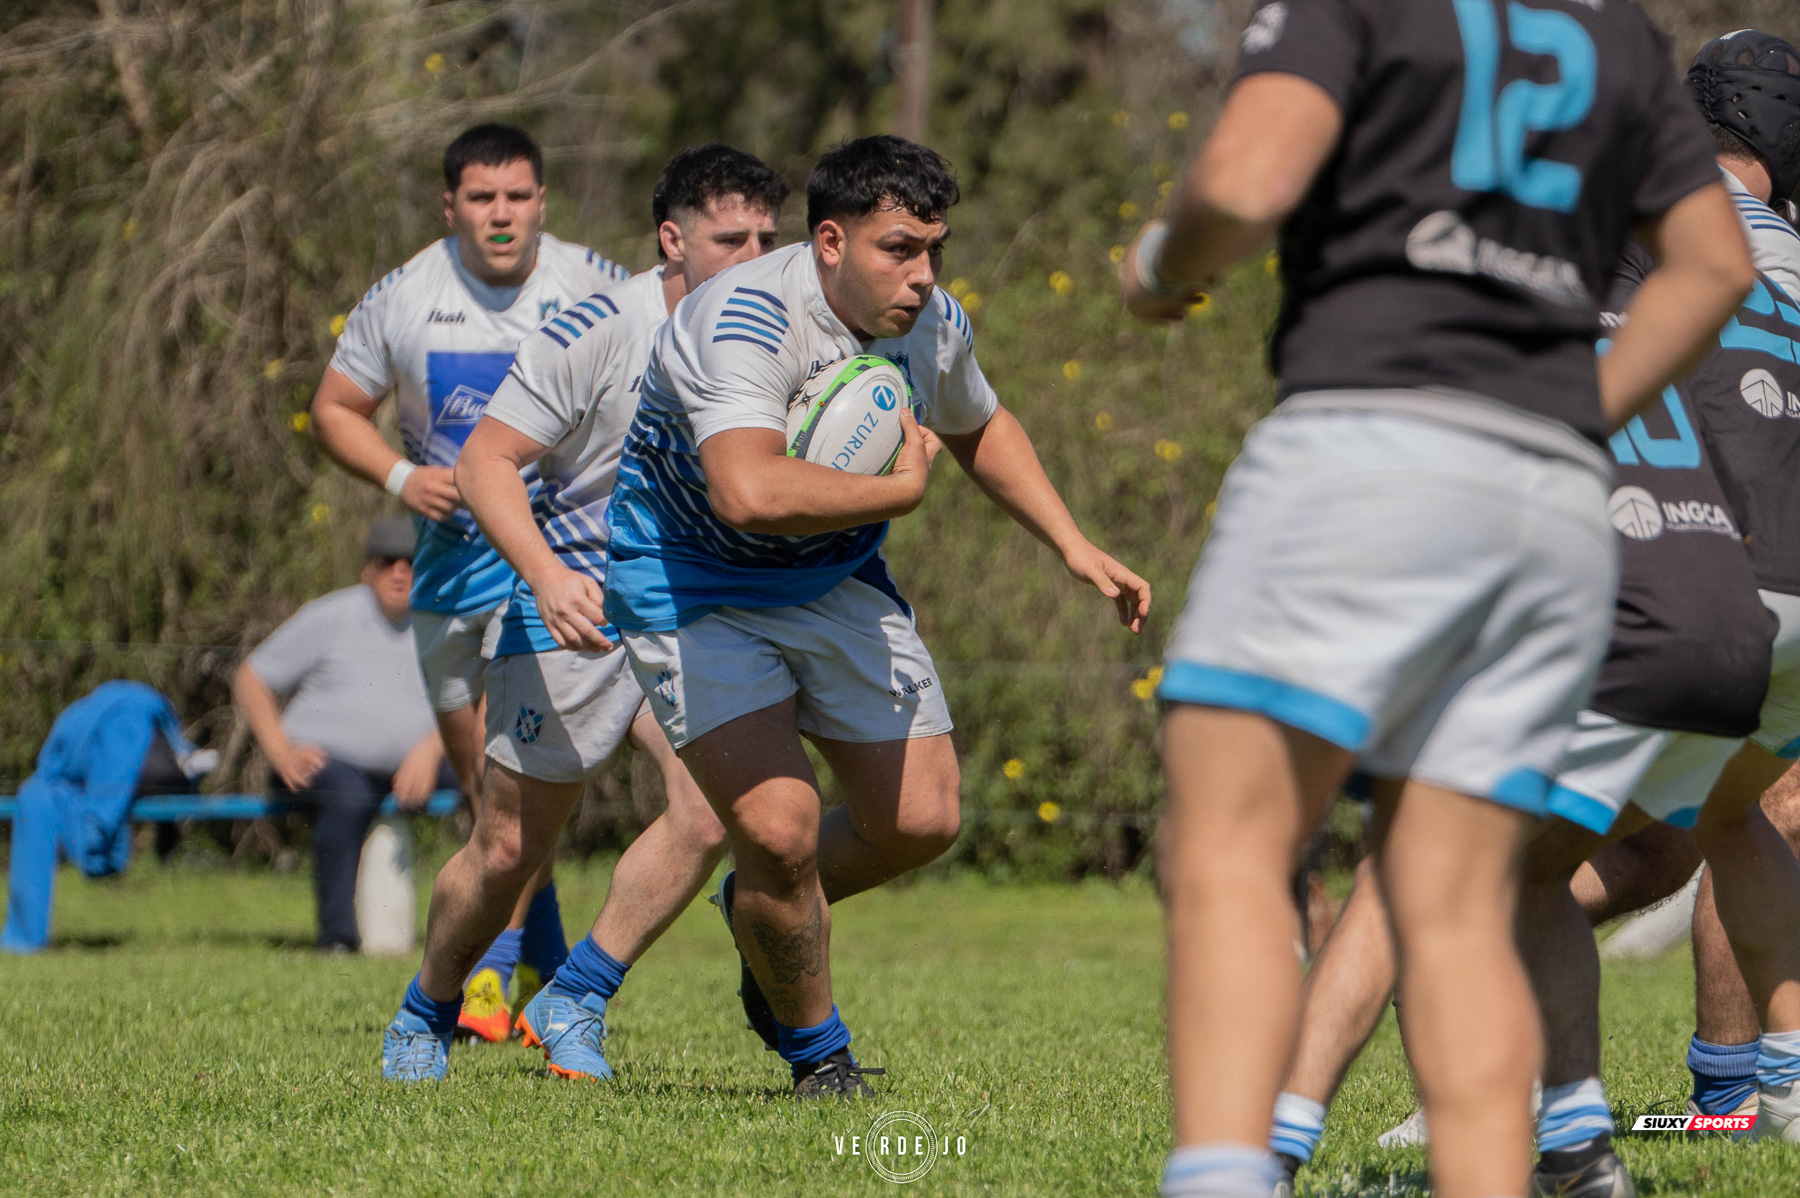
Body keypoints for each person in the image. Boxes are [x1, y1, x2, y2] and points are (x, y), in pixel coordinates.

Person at [1120, 0, 1752, 1194]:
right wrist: (1571, 414)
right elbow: (1714, 262)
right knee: (1459, 903)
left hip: (1365, 444)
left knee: (1231, 844)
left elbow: (1248, 182)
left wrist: (1160, 267)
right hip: (1552, 507)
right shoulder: (1613, 29)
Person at [593, 134, 1149, 1098]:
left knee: (923, 821)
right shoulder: (746, 319)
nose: (924, 274)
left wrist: (1071, 543)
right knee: (779, 828)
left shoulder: (928, 320)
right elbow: (747, 493)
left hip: (829, 576)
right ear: (831, 241)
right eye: (900, 248)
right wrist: (900, 496)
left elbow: (979, 425)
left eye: (935, 247)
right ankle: (821, 1059)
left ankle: (760, 913)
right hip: (693, 581)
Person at [379, 144, 786, 1081]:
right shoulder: (599, 326)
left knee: (710, 811)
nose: (760, 255)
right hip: (576, 605)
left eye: (771, 236)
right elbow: (485, 464)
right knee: (509, 843)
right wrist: (547, 577)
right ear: (673, 239)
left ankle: (578, 994)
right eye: (735, 238)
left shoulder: (786, 320)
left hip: (687, 607)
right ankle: (424, 1011)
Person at [310, 125, 628, 1029]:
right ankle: (550, 970)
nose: (501, 215)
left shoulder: (594, 286)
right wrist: (404, 478)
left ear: (542, 201)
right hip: (447, 568)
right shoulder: (406, 296)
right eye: (482, 198)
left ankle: (480, 984)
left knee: (512, 785)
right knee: (491, 796)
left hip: (551, 560)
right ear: (450, 206)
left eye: (518, 196)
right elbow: (333, 410)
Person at [234, 517, 453, 952]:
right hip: (322, 766)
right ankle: (337, 938)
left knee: (498, 775)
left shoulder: (440, 621)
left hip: (413, 764)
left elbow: (476, 697)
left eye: (411, 561)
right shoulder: (331, 615)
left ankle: (504, 938)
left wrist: (430, 750)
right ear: (367, 570)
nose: (400, 572)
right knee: (347, 794)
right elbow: (251, 678)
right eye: (387, 561)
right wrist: (280, 752)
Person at [2, 682, 217, 954]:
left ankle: (181, 773)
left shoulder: (87, 722)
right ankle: (184, 768)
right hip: (154, 759)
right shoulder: (128, 720)